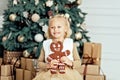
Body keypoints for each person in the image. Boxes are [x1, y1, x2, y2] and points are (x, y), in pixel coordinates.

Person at [33, 14, 83, 80]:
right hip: (49, 73)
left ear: (65, 29)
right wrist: (47, 65)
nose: (55, 29)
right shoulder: (46, 44)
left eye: (59, 27)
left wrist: (70, 62)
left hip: (67, 74)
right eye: (52, 27)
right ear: (49, 29)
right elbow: (39, 62)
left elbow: (79, 61)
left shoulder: (70, 43)